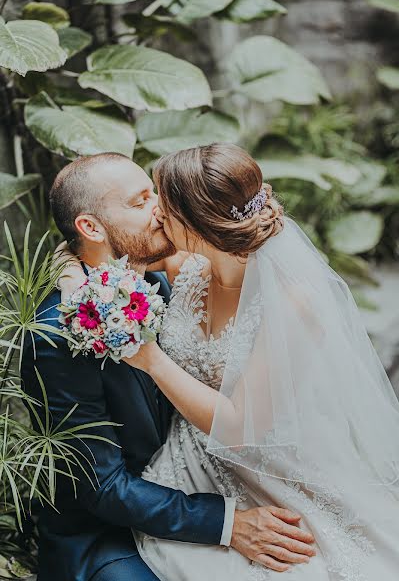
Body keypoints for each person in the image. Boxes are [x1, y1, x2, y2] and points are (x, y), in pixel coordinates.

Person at [60, 143, 399, 581]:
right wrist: (68, 273)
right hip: (191, 460)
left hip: (267, 463)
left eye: (162, 202)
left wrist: (150, 359)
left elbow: (239, 428)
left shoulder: (293, 303)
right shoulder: (187, 265)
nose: (156, 214)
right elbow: (95, 247)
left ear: (196, 222)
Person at [21, 152, 316, 581]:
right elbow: (100, 486)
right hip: (111, 526)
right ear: (91, 227)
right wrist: (227, 524)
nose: (160, 209)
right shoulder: (57, 334)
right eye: (140, 201)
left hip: (211, 472)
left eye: (155, 194)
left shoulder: (163, 276)